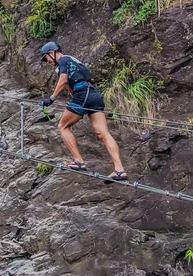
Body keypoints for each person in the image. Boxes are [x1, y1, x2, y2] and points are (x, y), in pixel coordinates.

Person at [38, 42, 128, 181]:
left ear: (52, 52)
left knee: (63, 126)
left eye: (47, 58)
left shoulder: (63, 59)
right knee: (103, 133)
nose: (48, 61)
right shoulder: (74, 61)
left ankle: (78, 161)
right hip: (94, 95)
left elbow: (63, 80)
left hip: (82, 94)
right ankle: (120, 170)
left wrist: (51, 99)